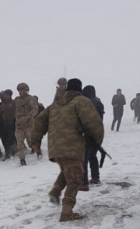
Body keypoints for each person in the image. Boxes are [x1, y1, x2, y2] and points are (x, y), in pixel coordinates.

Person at [31, 79, 104, 221]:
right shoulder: (81, 101)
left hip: (56, 147)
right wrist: (97, 142)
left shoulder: (55, 104)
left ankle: (55, 191)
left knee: (68, 171)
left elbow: (40, 120)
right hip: (73, 146)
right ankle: (67, 212)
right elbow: (94, 123)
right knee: (76, 178)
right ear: (80, 89)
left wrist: (36, 140)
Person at [79, 85, 105, 191]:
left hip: (86, 134)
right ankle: (95, 177)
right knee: (92, 156)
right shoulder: (98, 103)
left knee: (83, 158)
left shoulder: (85, 103)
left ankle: (83, 183)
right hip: (97, 133)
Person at [15, 82, 38, 166]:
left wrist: (26, 117)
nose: (21, 92)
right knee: (19, 143)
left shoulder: (31, 99)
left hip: (29, 125)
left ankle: (37, 150)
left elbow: (35, 110)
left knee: (30, 141)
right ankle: (22, 159)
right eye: (19, 90)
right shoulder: (17, 100)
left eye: (22, 90)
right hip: (19, 126)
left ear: (26, 90)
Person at [0, 89, 16, 160]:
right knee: (4, 139)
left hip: (13, 124)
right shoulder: (2, 105)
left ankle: (10, 151)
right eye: (5, 95)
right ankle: (8, 151)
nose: (6, 96)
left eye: (7, 95)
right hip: (4, 125)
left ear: (10, 96)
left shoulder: (14, 103)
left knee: (11, 139)